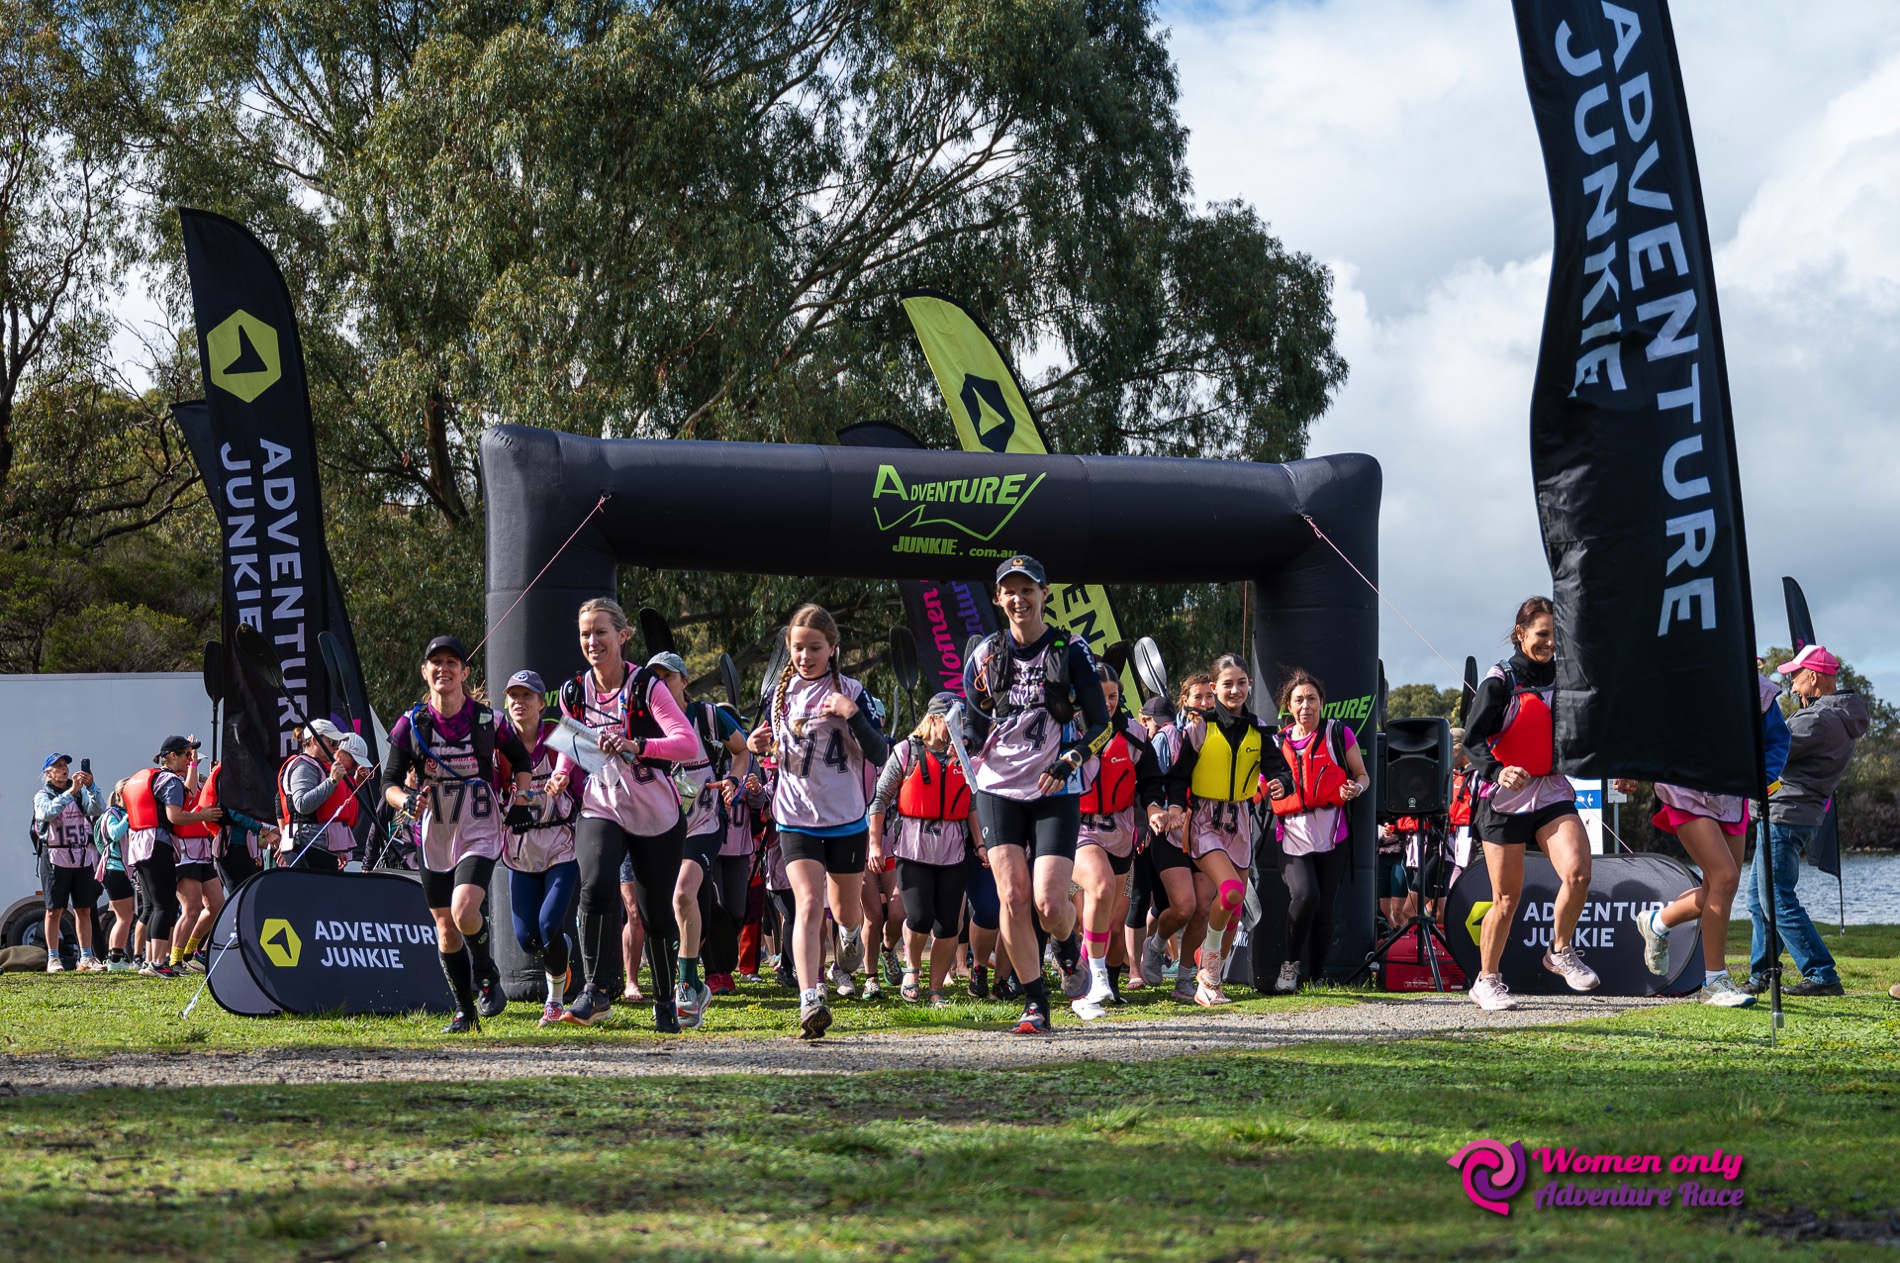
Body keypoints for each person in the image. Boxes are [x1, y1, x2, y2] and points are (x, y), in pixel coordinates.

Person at [962, 555, 1112, 1034]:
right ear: (998, 597)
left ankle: (1067, 949)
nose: (1019, 598)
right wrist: (956, 738)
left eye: (1028, 589)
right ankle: (1035, 1002)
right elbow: (971, 721)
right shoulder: (985, 654)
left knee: (1049, 903)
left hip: (1055, 784)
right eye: (1010, 590)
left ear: (1044, 594)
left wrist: (1072, 758)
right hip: (997, 788)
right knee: (1012, 897)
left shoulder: (1071, 649)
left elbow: (1104, 726)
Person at [554, 600, 703, 1031]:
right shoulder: (574, 691)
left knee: (655, 915)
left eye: (600, 632)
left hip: (656, 816)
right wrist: (562, 776)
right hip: (603, 804)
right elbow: (571, 743)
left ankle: (663, 1002)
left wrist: (639, 744)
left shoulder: (646, 687)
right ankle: (596, 991)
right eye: (585, 634)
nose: (592, 641)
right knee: (595, 881)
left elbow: (686, 744)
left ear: (622, 636)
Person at [383, 635, 538, 1034]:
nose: (444, 669)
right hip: (434, 831)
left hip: (479, 827)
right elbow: (389, 782)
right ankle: (465, 1012)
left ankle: (486, 972)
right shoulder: (411, 724)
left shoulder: (487, 721)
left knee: (464, 910)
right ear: (425, 671)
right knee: (446, 928)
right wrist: (406, 801)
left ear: (465, 673)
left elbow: (522, 760)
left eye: (452, 662)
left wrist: (520, 801)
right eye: (436, 663)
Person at [747, 604, 889, 1038]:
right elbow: (771, 751)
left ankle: (848, 941)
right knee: (808, 903)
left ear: (832, 648)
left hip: (845, 819)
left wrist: (851, 712)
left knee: (846, 912)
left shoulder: (851, 689)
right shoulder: (778, 694)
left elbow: (880, 753)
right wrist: (757, 745)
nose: (805, 656)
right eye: (797, 648)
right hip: (795, 817)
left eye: (814, 648)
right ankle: (811, 996)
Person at [1461, 597, 1600, 1012]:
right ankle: (1486, 981)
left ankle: (1558, 950)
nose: (1550, 644)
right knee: (1506, 898)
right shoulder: (1499, 681)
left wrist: (1618, 768)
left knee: (1578, 872)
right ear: (1520, 633)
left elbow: (1589, 729)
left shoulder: (1567, 676)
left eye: (1556, 637)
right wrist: (1497, 770)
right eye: (1542, 635)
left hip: (1551, 791)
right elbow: (1472, 740)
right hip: (1502, 798)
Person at [1617, 676, 1789, 1008]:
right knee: (1724, 877)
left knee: (1721, 887)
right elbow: (1645, 723)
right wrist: (1630, 765)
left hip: (1732, 795)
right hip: (1684, 790)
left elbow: (1777, 741)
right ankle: (1714, 981)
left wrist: (1759, 778)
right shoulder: (1682, 676)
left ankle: (1657, 922)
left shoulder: (1761, 690)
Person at [1156, 656, 1295, 1005]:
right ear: (1214, 687)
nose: (1235, 690)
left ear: (1249, 685)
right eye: (1228, 683)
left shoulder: (1260, 729)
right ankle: (1207, 972)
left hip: (1241, 824)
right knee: (1232, 891)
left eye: (1242, 682)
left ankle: (1210, 982)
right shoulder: (1199, 727)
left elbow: (1282, 771)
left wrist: (1280, 783)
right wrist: (1174, 807)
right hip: (1204, 821)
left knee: (1231, 911)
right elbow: (1178, 777)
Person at [1746, 645, 1870, 998]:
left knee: (1776, 898)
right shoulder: (1838, 716)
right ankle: (1762, 974)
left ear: (1813, 677)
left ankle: (1821, 973)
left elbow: (1768, 747)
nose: (1793, 687)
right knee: (1760, 899)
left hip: (1786, 813)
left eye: (1796, 679)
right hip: (1794, 813)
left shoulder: (1818, 719)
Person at [649, 651, 748, 1028]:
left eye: (667, 677)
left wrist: (734, 781)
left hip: (705, 823)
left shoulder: (708, 716)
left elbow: (742, 751)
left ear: (684, 681)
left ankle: (687, 983)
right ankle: (681, 980)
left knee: (683, 894)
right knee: (660, 907)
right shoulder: (646, 720)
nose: (661, 684)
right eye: (654, 679)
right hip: (660, 826)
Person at [1266, 668, 1369, 994]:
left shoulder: (1339, 734)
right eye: (1299, 700)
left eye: (1312, 698)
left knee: (1324, 908)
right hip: (1292, 835)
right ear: (1288, 705)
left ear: (1322, 702)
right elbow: (1261, 785)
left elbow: (1362, 775)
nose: (1306, 705)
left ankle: (1316, 974)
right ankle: (1289, 966)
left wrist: (1356, 790)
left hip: (1332, 833)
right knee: (1305, 895)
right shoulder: (1277, 742)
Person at [867, 692, 972, 1007]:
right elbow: (880, 798)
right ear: (935, 719)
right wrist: (874, 842)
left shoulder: (965, 755)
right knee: (920, 915)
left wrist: (980, 845)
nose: (959, 728)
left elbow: (976, 801)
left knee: (949, 923)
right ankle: (912, 969)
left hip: (953, 850)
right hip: (913, 848)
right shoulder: (906, 752)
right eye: (954, 721)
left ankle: (936, 988)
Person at [1072, 666, 1162, 1017]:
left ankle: (1105, 979)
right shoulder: (1066, 730)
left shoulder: (1136, 735)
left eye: (1113, 696)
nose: (1107, 703)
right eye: (1099, 695)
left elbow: (1151, 782)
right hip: (1079, 830)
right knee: (1099, 887)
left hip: (1122, 834)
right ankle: (1086, 983)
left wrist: (1153, 810)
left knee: (1115, 917)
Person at [498, 670, 583, 1026]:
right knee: (529, 940)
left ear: (541, 703)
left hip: (561, 846)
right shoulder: (498, 744)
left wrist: (567, 782)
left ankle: (554, 1000)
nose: (519, 703)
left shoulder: (559, 736)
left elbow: (581, 777)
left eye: (527, 696)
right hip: (520, 850)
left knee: (549, 925)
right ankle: (559, 949)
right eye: (513, 696)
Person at [123, 736, 224, 976]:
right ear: (171, 756)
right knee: (163, 906)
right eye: (185, 755)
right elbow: (175, 816)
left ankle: (153, 961)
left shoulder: (161, 778)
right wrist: (204, 816)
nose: (189, 759)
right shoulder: (169, 781)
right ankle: (158, 962)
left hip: (142, 845)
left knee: (157, 906)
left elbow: (185, 795)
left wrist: (193, 766)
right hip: (157, 845)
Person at [34, 754, 105, 972]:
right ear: (48, 773)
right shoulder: (42, 795)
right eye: (58, 766)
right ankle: (53, 958)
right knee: (54, 910)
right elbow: (46, 813)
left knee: (84, 908)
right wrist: (69, 793)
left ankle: (86, 957)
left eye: (65, 765)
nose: (64, 769)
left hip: (81, 856)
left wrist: (91, 787)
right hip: (55, 857)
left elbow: (98, 810)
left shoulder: (79, 792)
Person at [278, 719, 370, 873]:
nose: (335, 748)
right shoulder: (303, 766)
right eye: (332, 742)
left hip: (319, 849)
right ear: (315, 740)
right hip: (307, 848)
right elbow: (302, 804)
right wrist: (332, 781)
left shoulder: (319, 766)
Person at [95, 784, 138, 971]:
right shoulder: (112, 813)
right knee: (125, 917)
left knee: (122, 917)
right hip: (114, 869)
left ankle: (114, 958)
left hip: (120, 871)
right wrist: (129, 816)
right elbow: (114, 834)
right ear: (122, 794)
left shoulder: (117, 813)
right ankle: (115, 960)